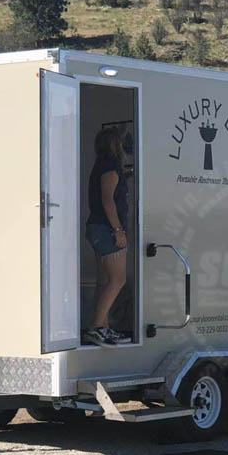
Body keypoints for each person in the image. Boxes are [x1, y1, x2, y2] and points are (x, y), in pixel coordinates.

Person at [84, 127, 133, 347]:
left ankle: (103, 327)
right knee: (118, 279)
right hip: (106, 230)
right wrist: (118, 231)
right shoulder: (111, 168)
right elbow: (108, 200)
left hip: (97, 229)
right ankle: (96, 327)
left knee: (104, 281)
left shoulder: (101, 166)